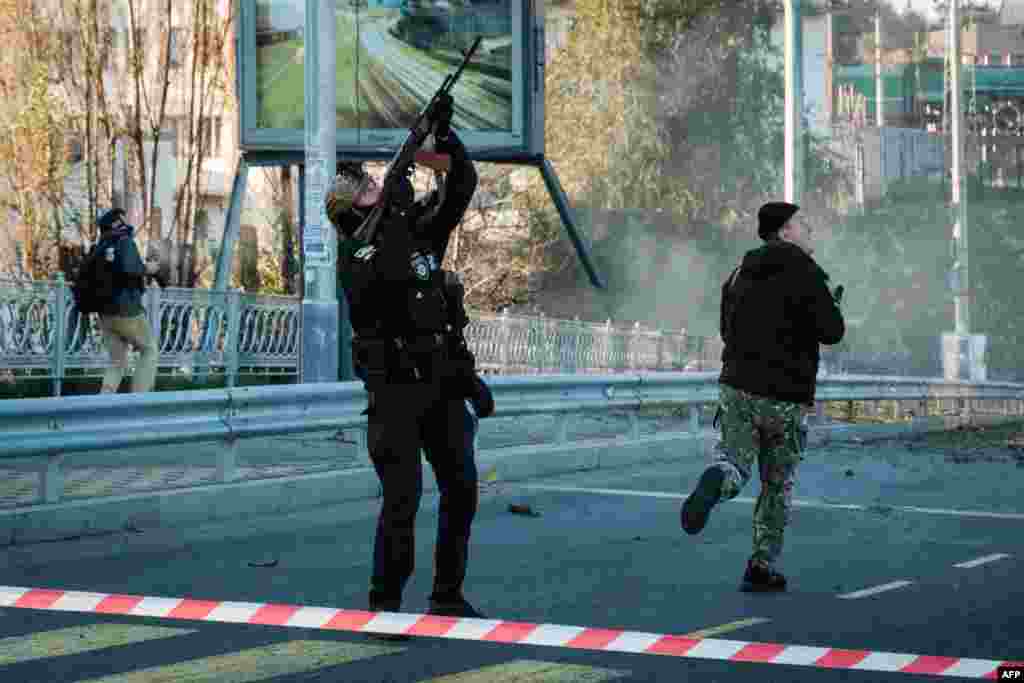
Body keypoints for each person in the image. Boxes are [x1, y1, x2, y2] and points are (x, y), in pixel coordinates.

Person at [323, 94, 494, 628]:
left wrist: (443, 137)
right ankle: (385, 601)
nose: (383, 186)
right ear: (357, 210)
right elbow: (392, 270)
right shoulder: (358, 257)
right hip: (395, 394)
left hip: (441, 387)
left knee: (462, 487)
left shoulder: (414, 228)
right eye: (372, 188)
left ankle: (447, 592)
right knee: (403, 499)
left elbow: (459, 188)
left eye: (381, 181)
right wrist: (396, 190)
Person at [680, 201, 845, 592]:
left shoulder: (740, 272)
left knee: (735, 463)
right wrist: (833, 305)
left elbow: (725, 327)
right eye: (803, 224)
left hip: (736, 387)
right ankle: (761, 565)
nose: (809, 230)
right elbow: (832, 331)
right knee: (776, 484)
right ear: (784, 232)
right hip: (784, 398)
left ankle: (717, 480)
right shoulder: (807, 273)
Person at [92, 208, 163, 394]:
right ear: (118, 222)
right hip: (126, 311)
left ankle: (101, 404)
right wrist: (150, 268)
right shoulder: (124, 241)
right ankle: (138, 401)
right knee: (149, 350)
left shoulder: (101, 245)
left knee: (117, 361)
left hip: (105, 313)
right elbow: (131, 269)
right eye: (123, 217)